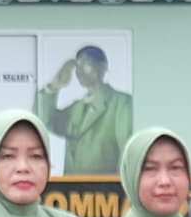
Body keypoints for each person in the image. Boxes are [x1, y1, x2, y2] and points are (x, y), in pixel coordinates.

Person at [36, 44, 137, 180]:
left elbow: (128, 155)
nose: (80, 71)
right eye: (78, 66)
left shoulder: (122, 103)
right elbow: (43, 122)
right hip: (71, 194)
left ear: (103, 67)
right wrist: (54, 86)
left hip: (106, 195)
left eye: (86, 63)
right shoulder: (77, 106)